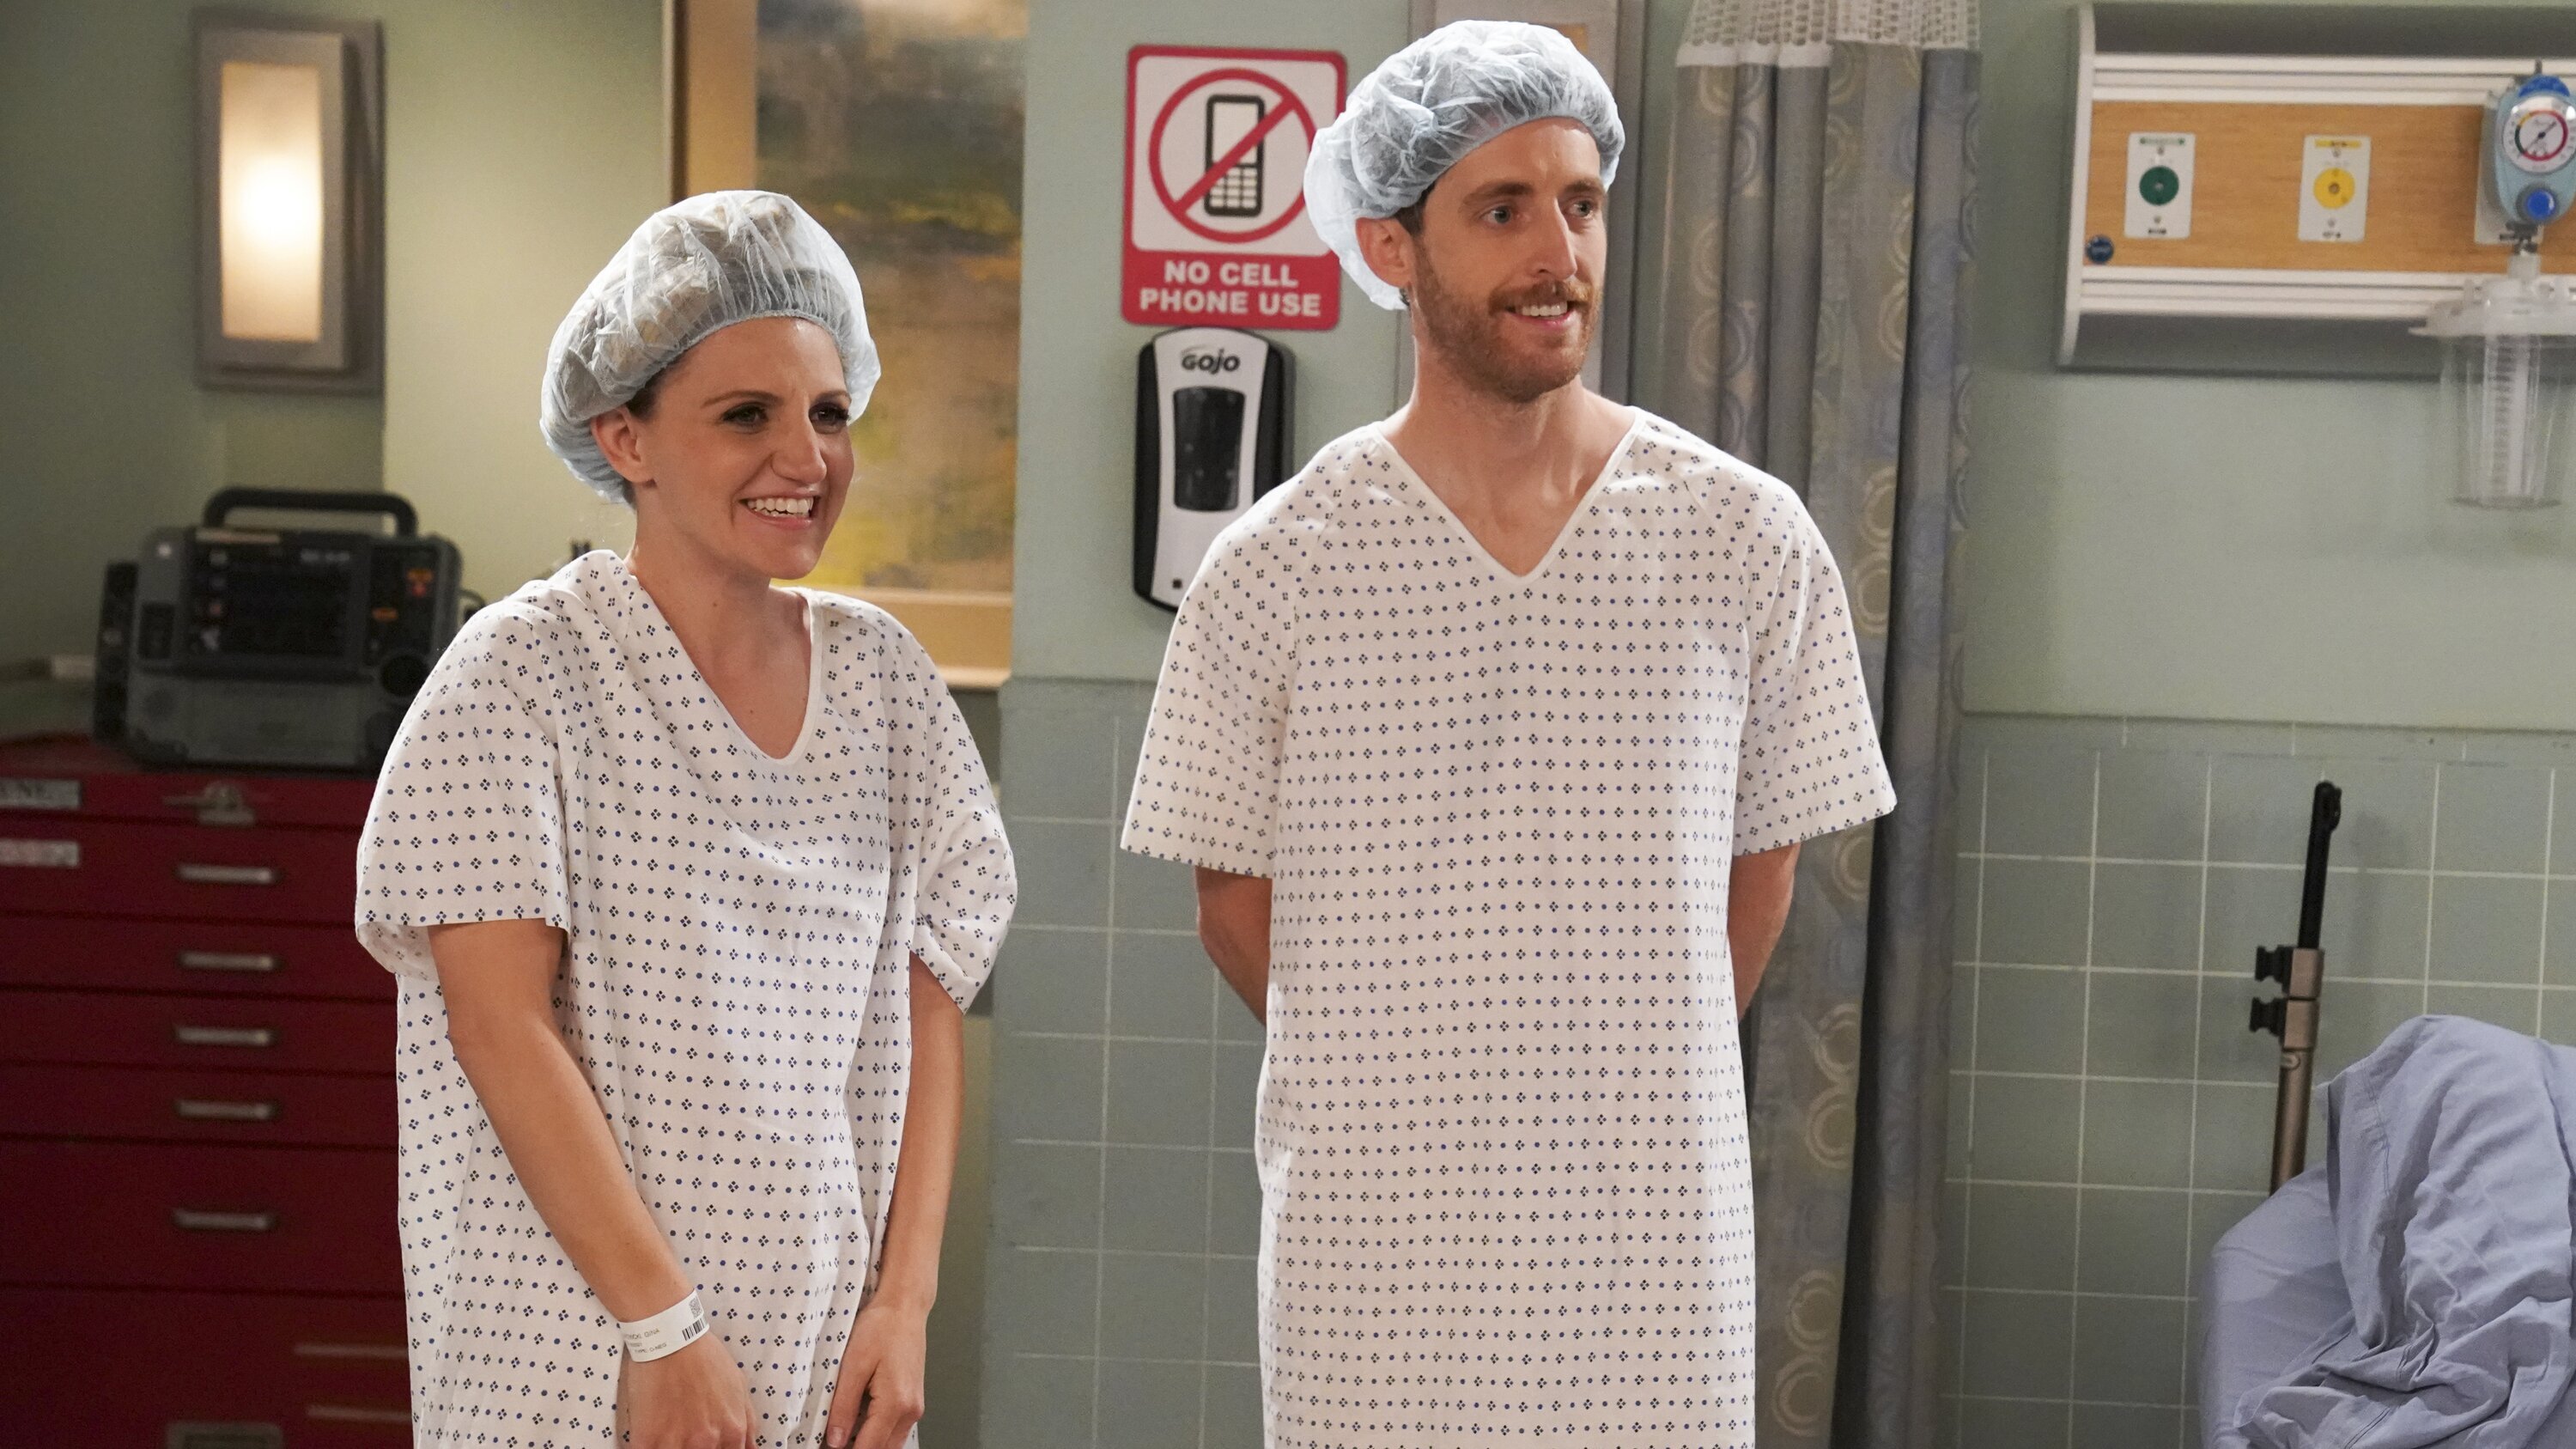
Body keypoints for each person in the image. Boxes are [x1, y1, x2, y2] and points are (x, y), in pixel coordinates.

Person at [1119, 22, 1896, 1449]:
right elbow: (1231, 903)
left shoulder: (1743, 537)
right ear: (1393, 245)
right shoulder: (1276, 569)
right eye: (1502, 209)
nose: (1560, 252)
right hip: (1373, 1253)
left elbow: (1764, 863)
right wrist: (1409, 1077)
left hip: (1654, 1252)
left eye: (1582, 203)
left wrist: (1616, 1068)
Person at [355, 191, 1014, 1449]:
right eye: (746, 415)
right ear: (627, 438)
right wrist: (662, 1330)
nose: (806, 459)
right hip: (578, 1349)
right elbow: (499, 1026)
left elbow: (930, 1004)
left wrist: (906, 1302)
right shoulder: (522, 676)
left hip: (823, 1343)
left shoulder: (886, 684)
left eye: (829, 414)